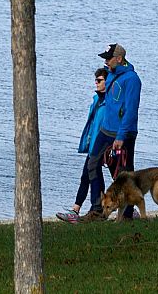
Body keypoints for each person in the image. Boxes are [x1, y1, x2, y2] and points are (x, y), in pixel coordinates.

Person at [56, 66, 110, 223]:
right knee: (88, 176)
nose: (96, 83)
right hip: (93, 145)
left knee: (92, 175)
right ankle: (82, 209)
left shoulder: (108, 103)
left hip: (102, 145)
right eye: (96, 80)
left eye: (99, 80)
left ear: (107, 82)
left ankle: (91, 209)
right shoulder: (97, 100)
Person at [95, 43, 142, 217]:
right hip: (105, 130)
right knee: (92, 165)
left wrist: (121, 136)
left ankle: (128, 213)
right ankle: (97, 208)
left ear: (119, 59)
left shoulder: (132, 79)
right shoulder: (110, 75)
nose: (106, 62)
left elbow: (130, 110)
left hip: (124, 133)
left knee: (125, 174)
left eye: (109, 58)